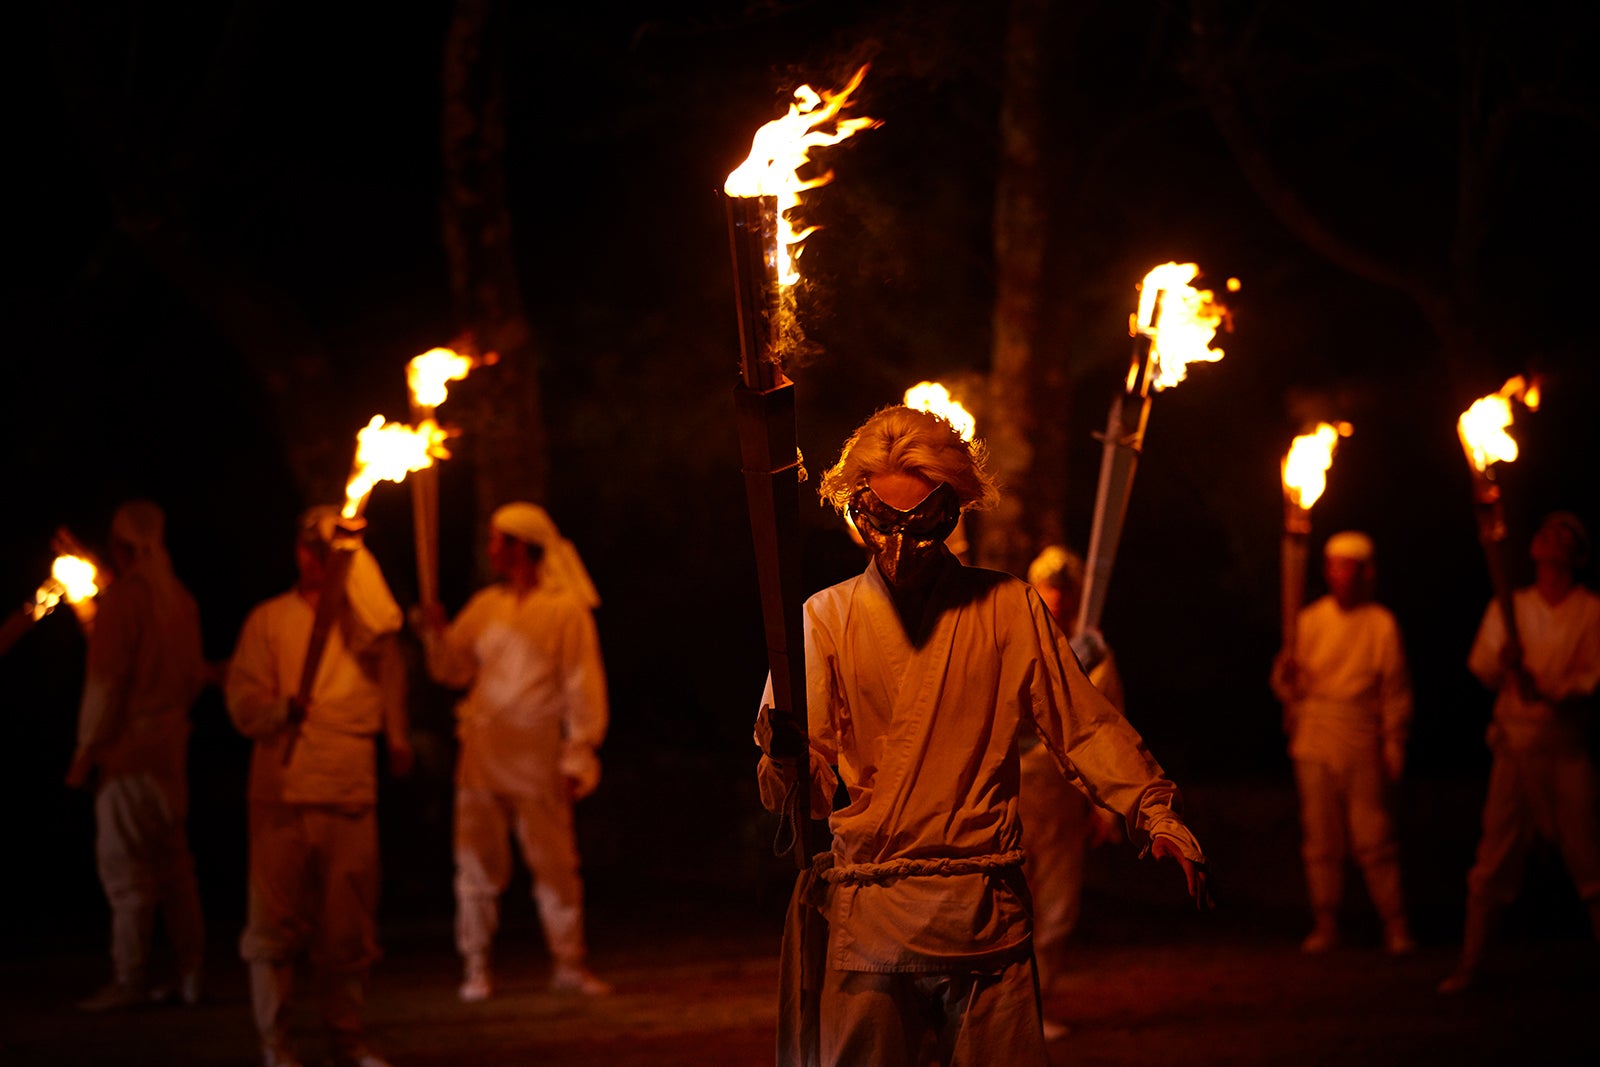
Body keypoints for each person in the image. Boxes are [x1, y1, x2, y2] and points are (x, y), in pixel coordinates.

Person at [754, 406, 1210, 1067]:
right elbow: (800, 793)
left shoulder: (1008, 606)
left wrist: (1153, 809)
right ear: (859, 514)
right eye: (884, 521)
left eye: (922, 521)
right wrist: (788, 757)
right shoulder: (824, 619)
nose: (901, 543)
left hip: (984, 912)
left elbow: (1081, 723)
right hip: (871, 912)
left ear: (951, 512)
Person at [225, 507, 412, 1067]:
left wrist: (397, 738)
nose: (315, 559)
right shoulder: (267, 621)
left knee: (348, 927)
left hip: (349, 786)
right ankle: (278, 1046)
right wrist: (281, 709)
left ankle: (347, 1037)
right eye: (310, 549)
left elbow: (390, 660)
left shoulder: (366, 626)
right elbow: (241, 700)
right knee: (274, 927)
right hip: (282, 791)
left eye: (326, 552)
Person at [414, 502, 610, 1002]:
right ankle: (476, 968)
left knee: (555, 868)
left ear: (522, 546)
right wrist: (435, 632)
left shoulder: (565, 610)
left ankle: (569, 963)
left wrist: (578, 755)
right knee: (476, 870)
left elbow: (582, 686)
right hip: (481, 759)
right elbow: (452, 672)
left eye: (498, 540)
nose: (491, 549)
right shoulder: (485, 606)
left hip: (538, 760)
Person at [1440, 511, 1600, 993]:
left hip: (1566, 747)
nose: (1547, 537)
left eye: (1561, 534)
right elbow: (1482, 667)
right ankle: (1471, 966)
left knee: (1591, 861)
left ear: (1575, 554)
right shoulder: (1510, 605)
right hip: (1514, 746)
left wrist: (1552, 690)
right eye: (1544, 530)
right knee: (1492, 858)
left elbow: (1594, 678)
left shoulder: (1591, 610)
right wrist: (1505, 664)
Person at [67, 500, 207, 1011]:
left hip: (130, 753)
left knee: (126, 868)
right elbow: (190, 677)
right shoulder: (181, 601)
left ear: (123, 547)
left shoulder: (128, 602)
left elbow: (106, 683)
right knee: (174, 865)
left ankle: (129, 979)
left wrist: (85, 752)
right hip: (170, 751)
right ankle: (191, 972)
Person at [1270, 531, 1415, 955]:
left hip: (1359, 734)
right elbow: (1285, 685)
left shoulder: (1381, 624)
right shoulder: (1309, 620)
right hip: (1314, 733)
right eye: (1332, 566)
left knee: (1373, 832)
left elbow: (1395, 691)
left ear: (1366, 573)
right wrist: (1288, 674)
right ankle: (1326, 921)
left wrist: (1394, 744)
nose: (1338, 574)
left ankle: (1395, 923)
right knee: (1320, 835)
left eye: (1346, 566)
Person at [1019, 547, 1126, 1024]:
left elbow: (1108, 732)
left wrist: (1106, 808)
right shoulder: (1010, 641)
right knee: (1003, 908)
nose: (1057, 599)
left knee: (1056, 909)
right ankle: (1003, 1012)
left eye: (1066, 590)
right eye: (1049, 588)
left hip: (1062, 800)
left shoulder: (1096, 656)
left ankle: (1035, 1008)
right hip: (1007, 797)